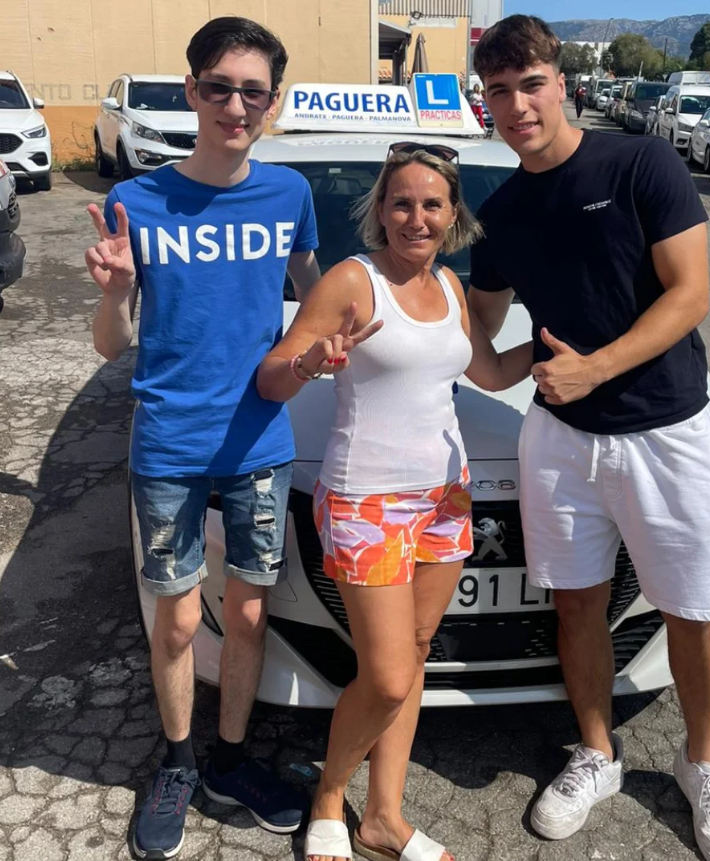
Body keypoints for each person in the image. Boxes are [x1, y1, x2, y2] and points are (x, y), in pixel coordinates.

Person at [469, 15, 710, 861]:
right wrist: (484, 356)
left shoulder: (639, 162)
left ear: (560, 81)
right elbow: (481, 337)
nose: (516, 105)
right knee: (575, 600)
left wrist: (592, 367)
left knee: (691, 608)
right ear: (484, 102)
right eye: (497, 91)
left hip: (666, 429)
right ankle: (596, 752)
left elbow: (688, 293)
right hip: (558, 442)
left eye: (529, 84)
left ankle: (704, 766)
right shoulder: (503, 208)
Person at [85, 17, 320, 860]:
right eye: (217, 86)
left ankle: (229, 762)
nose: (234, 104)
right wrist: (115, 290)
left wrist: (325, 348)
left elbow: (315, 300)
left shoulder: (289, 195)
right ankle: (179, 764)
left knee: (251, 615)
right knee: (181, 622)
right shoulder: (136, 201)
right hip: (170, 447)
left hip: (259, 440)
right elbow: (113, 345)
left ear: (271, 103)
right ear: (190, 90)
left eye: (251, 91)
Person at [257, 142, 533, 861]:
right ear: (379, 209)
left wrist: (558, 345)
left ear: (452, 215)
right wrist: (311, 362)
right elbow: (270, 377)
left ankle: (382, 816)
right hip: (366, 500)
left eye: (432, 203)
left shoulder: (449, 288)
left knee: (411, 655)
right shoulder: (354, 281)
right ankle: (327, 797)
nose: (416, 216)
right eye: (401, 201)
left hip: (444, 497)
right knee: (382, 675)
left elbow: (495, 372)